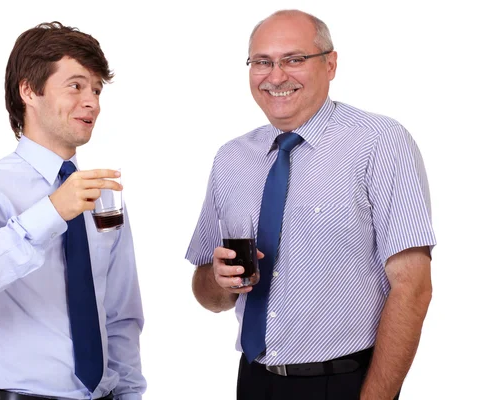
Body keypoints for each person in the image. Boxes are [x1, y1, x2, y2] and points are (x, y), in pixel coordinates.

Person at [185, 9, 435, 400]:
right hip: (252, 379)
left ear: (331, 64)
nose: (276, 76)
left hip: (344, 382)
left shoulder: (379, 142)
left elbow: (413, 287)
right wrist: (218, 281)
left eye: (294, 60)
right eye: (262, 62)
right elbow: (206, 292)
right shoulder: (231, 158)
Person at [0, 22, 146, 400]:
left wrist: (130, 393)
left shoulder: (101, 196)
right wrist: (50, 213)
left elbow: (120, 314)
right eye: (76, 85)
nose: (93, 102)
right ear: (29, 90)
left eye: (97, 90)